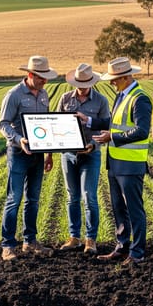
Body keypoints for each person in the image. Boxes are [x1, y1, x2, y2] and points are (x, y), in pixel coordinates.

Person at [91, 57, 152, 265]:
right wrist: (89, 121)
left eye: (115, 79)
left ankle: (137, 253)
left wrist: (113, 137)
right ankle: (122, 246)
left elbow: (142, 131)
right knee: (118, 208)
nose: (111, 82)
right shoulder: (121, 96)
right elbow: (113, 121)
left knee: (134, 209)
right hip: (116, 163)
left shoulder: (139, 98)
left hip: (131, 164)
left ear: (126, 77)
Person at [0, 56, 58, 261]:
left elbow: (47, 124)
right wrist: (19, 140)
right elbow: (3, 124)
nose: (44, 81)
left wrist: (49, 154)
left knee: (33, 199)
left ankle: (30, 241)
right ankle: (7, 244)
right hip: (18, 153)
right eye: (41, 77)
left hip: (38, 155)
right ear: (30, 75)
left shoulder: (44, 95)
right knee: (14, 199)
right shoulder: (14, 95)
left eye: (46, 78)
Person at [56, 63, 110, 255]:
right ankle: (74, 237)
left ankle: (91, 239)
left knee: (90, 197)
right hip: (68, 154)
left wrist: (93, 146)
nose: (82, 86)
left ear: (92, 82)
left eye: (86, 82)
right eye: (79, 82)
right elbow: (56, 124)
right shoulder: (65, 99)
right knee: (72, 197)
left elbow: (105, 128)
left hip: (91, 154)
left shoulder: (101, 101)